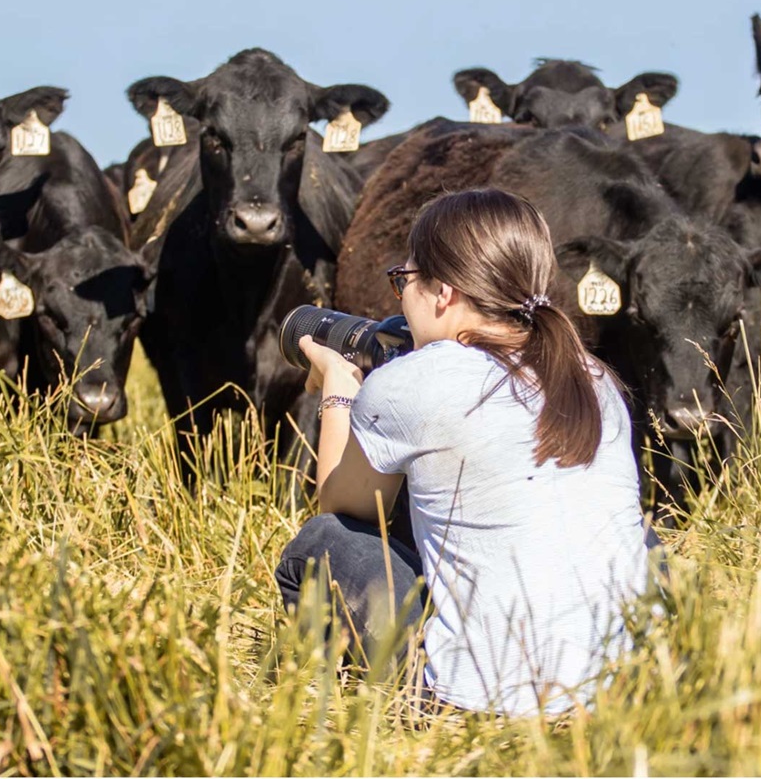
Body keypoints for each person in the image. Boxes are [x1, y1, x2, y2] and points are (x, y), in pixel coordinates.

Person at [275, 188, 657, 718]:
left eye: (402, 281)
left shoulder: (416, 379)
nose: (399, 300)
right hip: (624, 694)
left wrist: (339, 387)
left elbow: (342, 501)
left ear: (443, 294)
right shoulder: (592, 378)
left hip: (482, 706)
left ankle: (348, 714)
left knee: (323, 542)